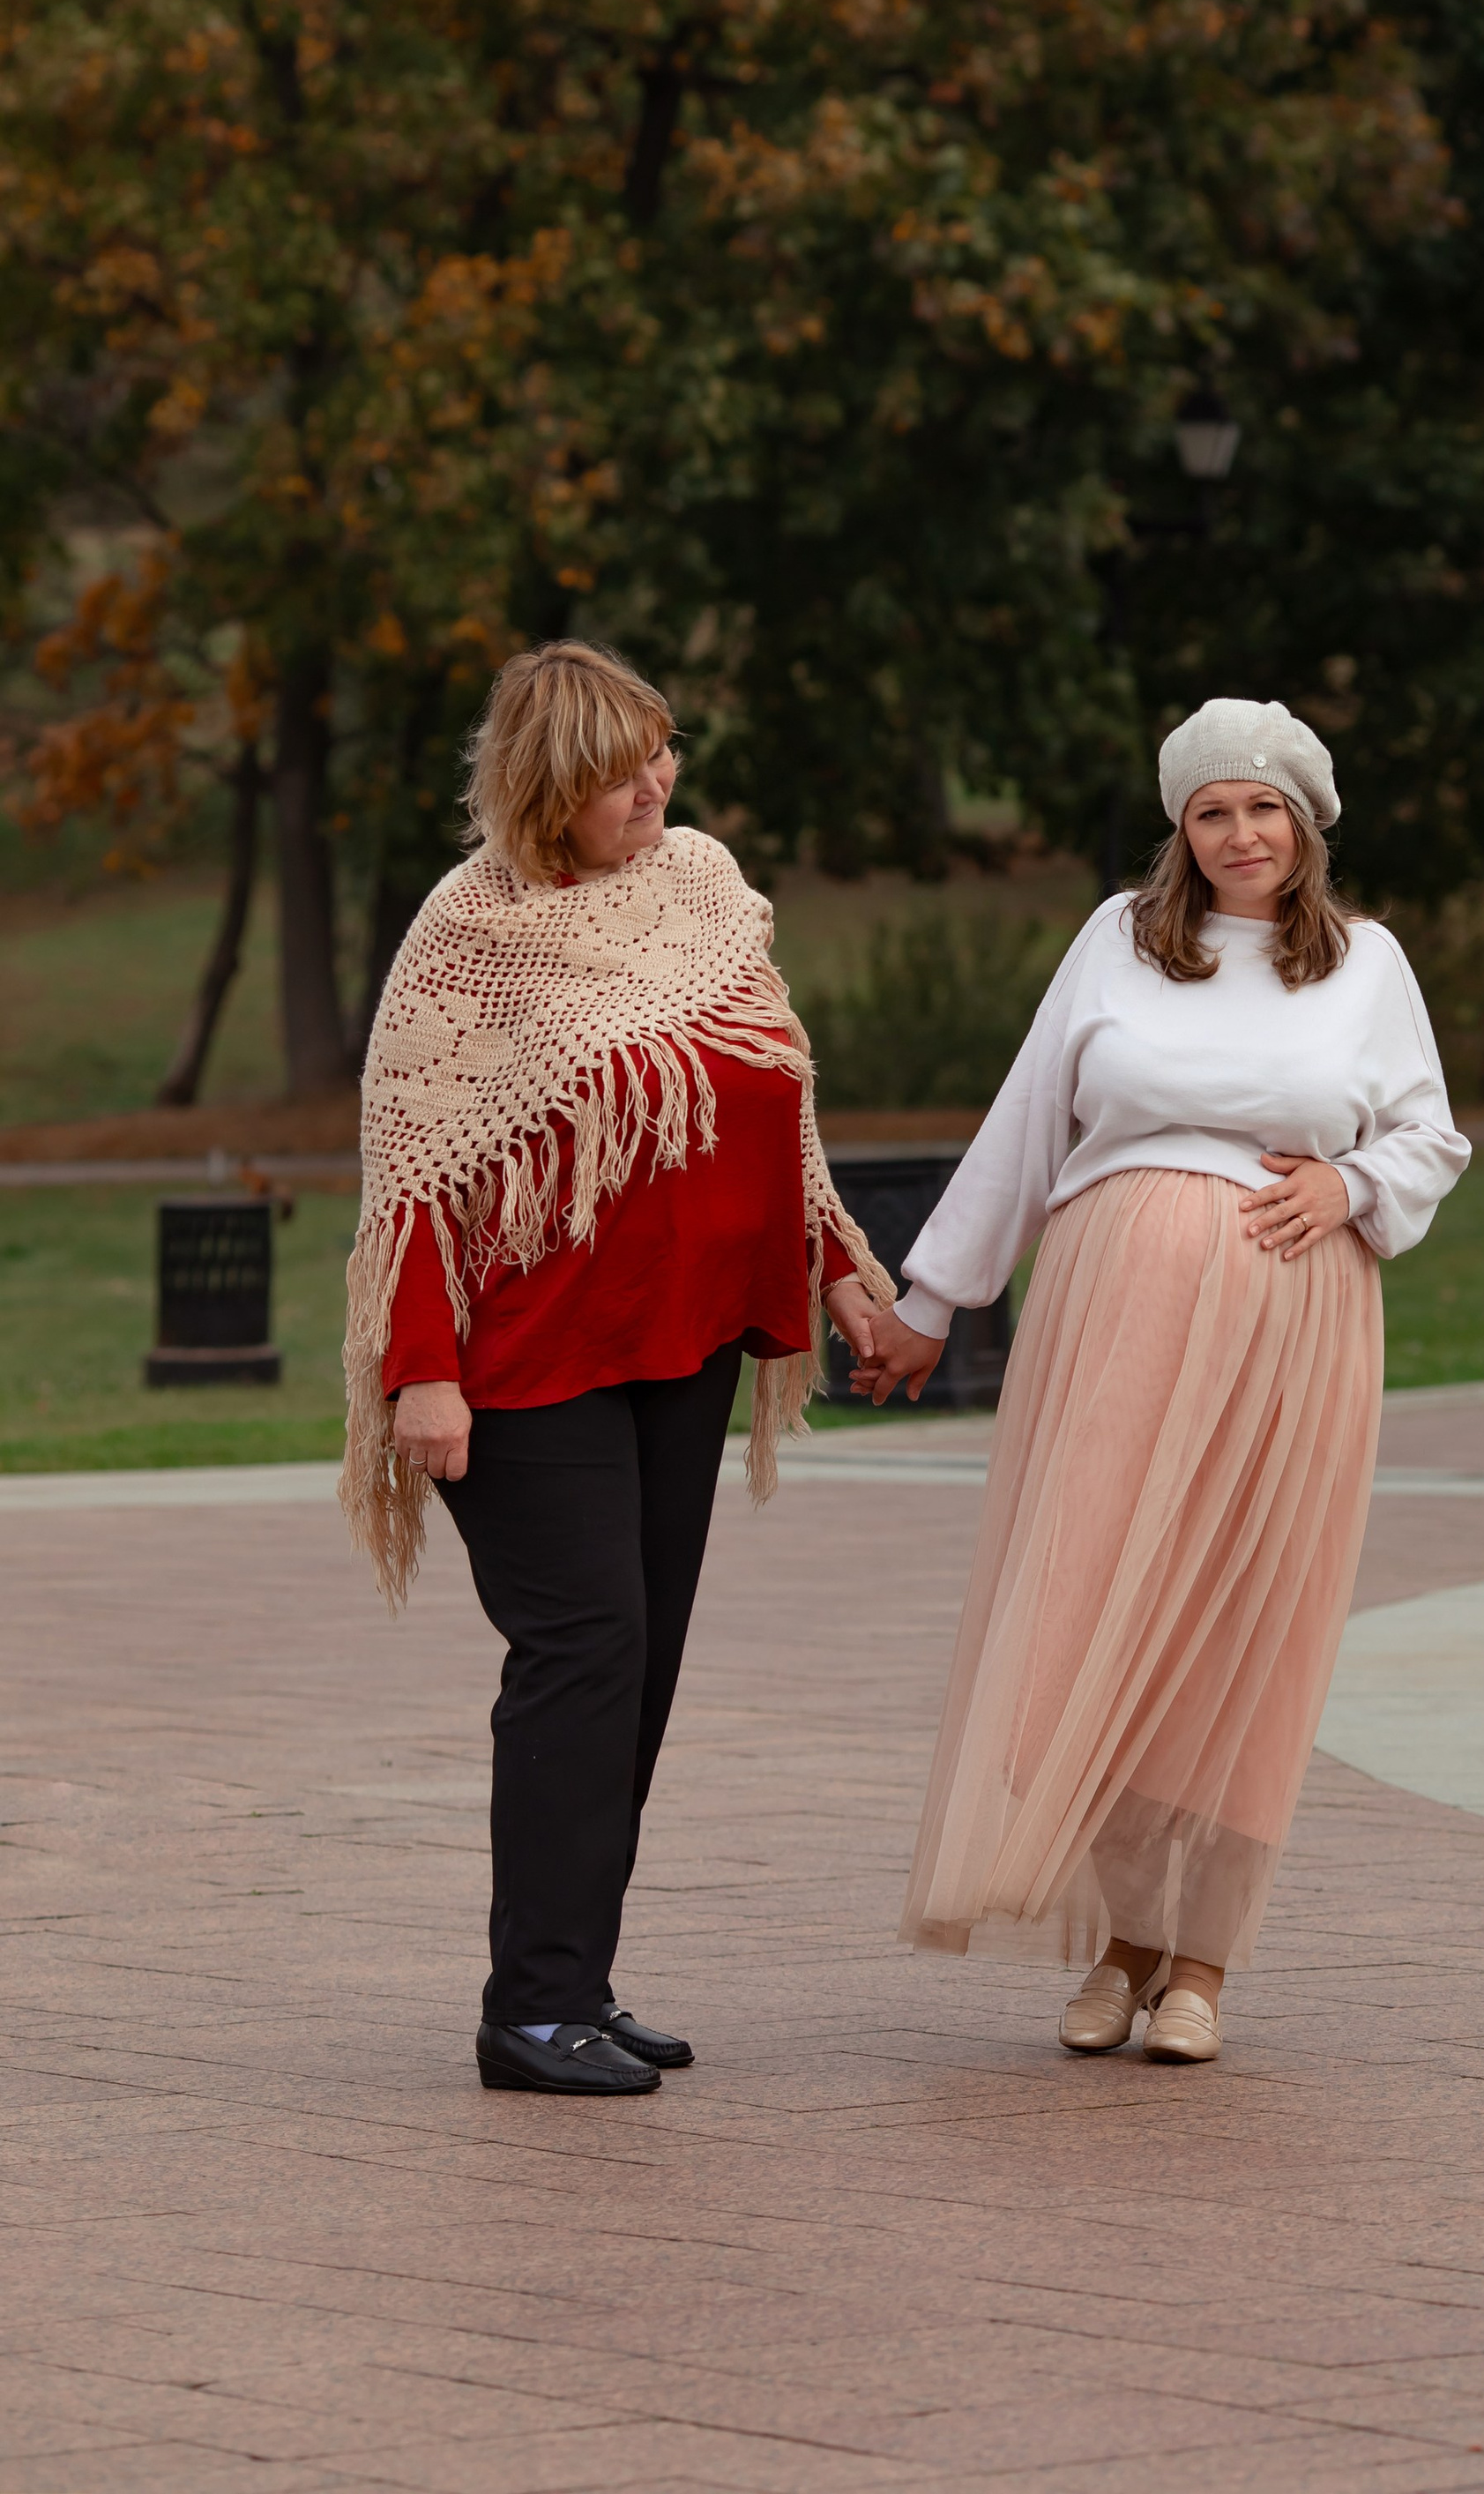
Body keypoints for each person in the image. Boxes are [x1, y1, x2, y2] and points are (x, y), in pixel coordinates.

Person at [854, 698, 1468, 2064]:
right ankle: (1125, 1933)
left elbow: (1433, 1133)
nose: (1239, 832)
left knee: (1239, 1630)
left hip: (1288, 1324)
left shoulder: (1367, 964)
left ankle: (1201, 1960)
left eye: (1263, 807)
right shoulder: (1118, 944)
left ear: (1304, 824)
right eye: (1211, 809)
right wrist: (932, 1295)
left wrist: (1353, 1179)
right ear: (1179, 830)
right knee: (1089, 1616)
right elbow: (1026, 1119)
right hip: (1109, 1318)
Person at [339, 641, 891, 2096]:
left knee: (634, 1665)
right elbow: (412, 1175)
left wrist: (838, 1260)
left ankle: (571, 1978)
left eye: (663, 753)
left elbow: (779, 1093)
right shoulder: (467, 936)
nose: (654, 784)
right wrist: (420, 1372)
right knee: (582, 1654)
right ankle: (528, 2011)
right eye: (618, 769)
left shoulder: (703, 886)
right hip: (525, 1367)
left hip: (682, 1342)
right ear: (544, 782)